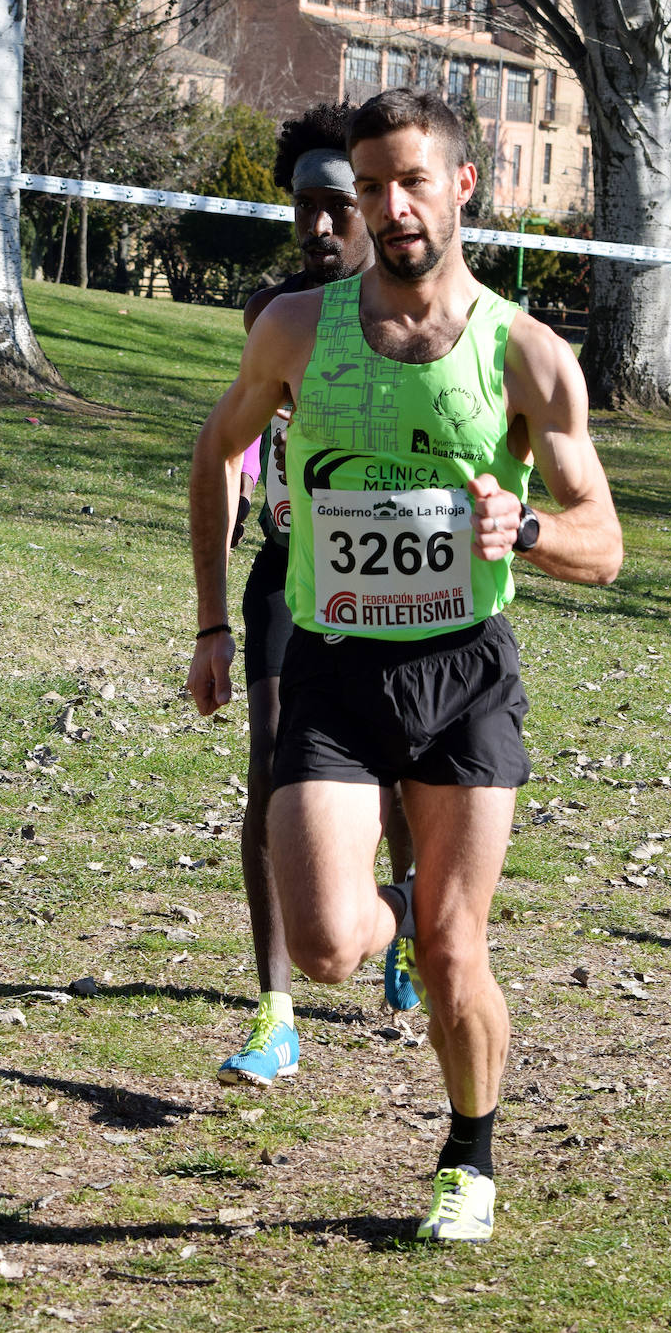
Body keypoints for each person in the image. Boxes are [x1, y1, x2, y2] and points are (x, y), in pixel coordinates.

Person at [188, 88, 623, 1241]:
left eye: (411, 181)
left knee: (450, 951)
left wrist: (520, 530)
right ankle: (390, 902)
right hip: (333, 666)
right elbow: (212, 452)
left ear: (461, 186)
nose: (390, 207)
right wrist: (210, 625)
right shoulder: (294, 328)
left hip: (462, 673)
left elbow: (605, 544)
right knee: (328, 944)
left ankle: (468, 1157)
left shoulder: (529, 355)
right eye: (370, 185)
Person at [215, 100, 417, 1095]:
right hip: (292, 571)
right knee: (270, 775)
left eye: (336, 204)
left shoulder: (417, 312)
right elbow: (226, 451)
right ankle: (275, 1013)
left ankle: (408, 916)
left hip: (396, 581)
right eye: (303, 207)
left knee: (398, 778)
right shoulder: (274, 316)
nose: (319, 226)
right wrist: (210, 616)